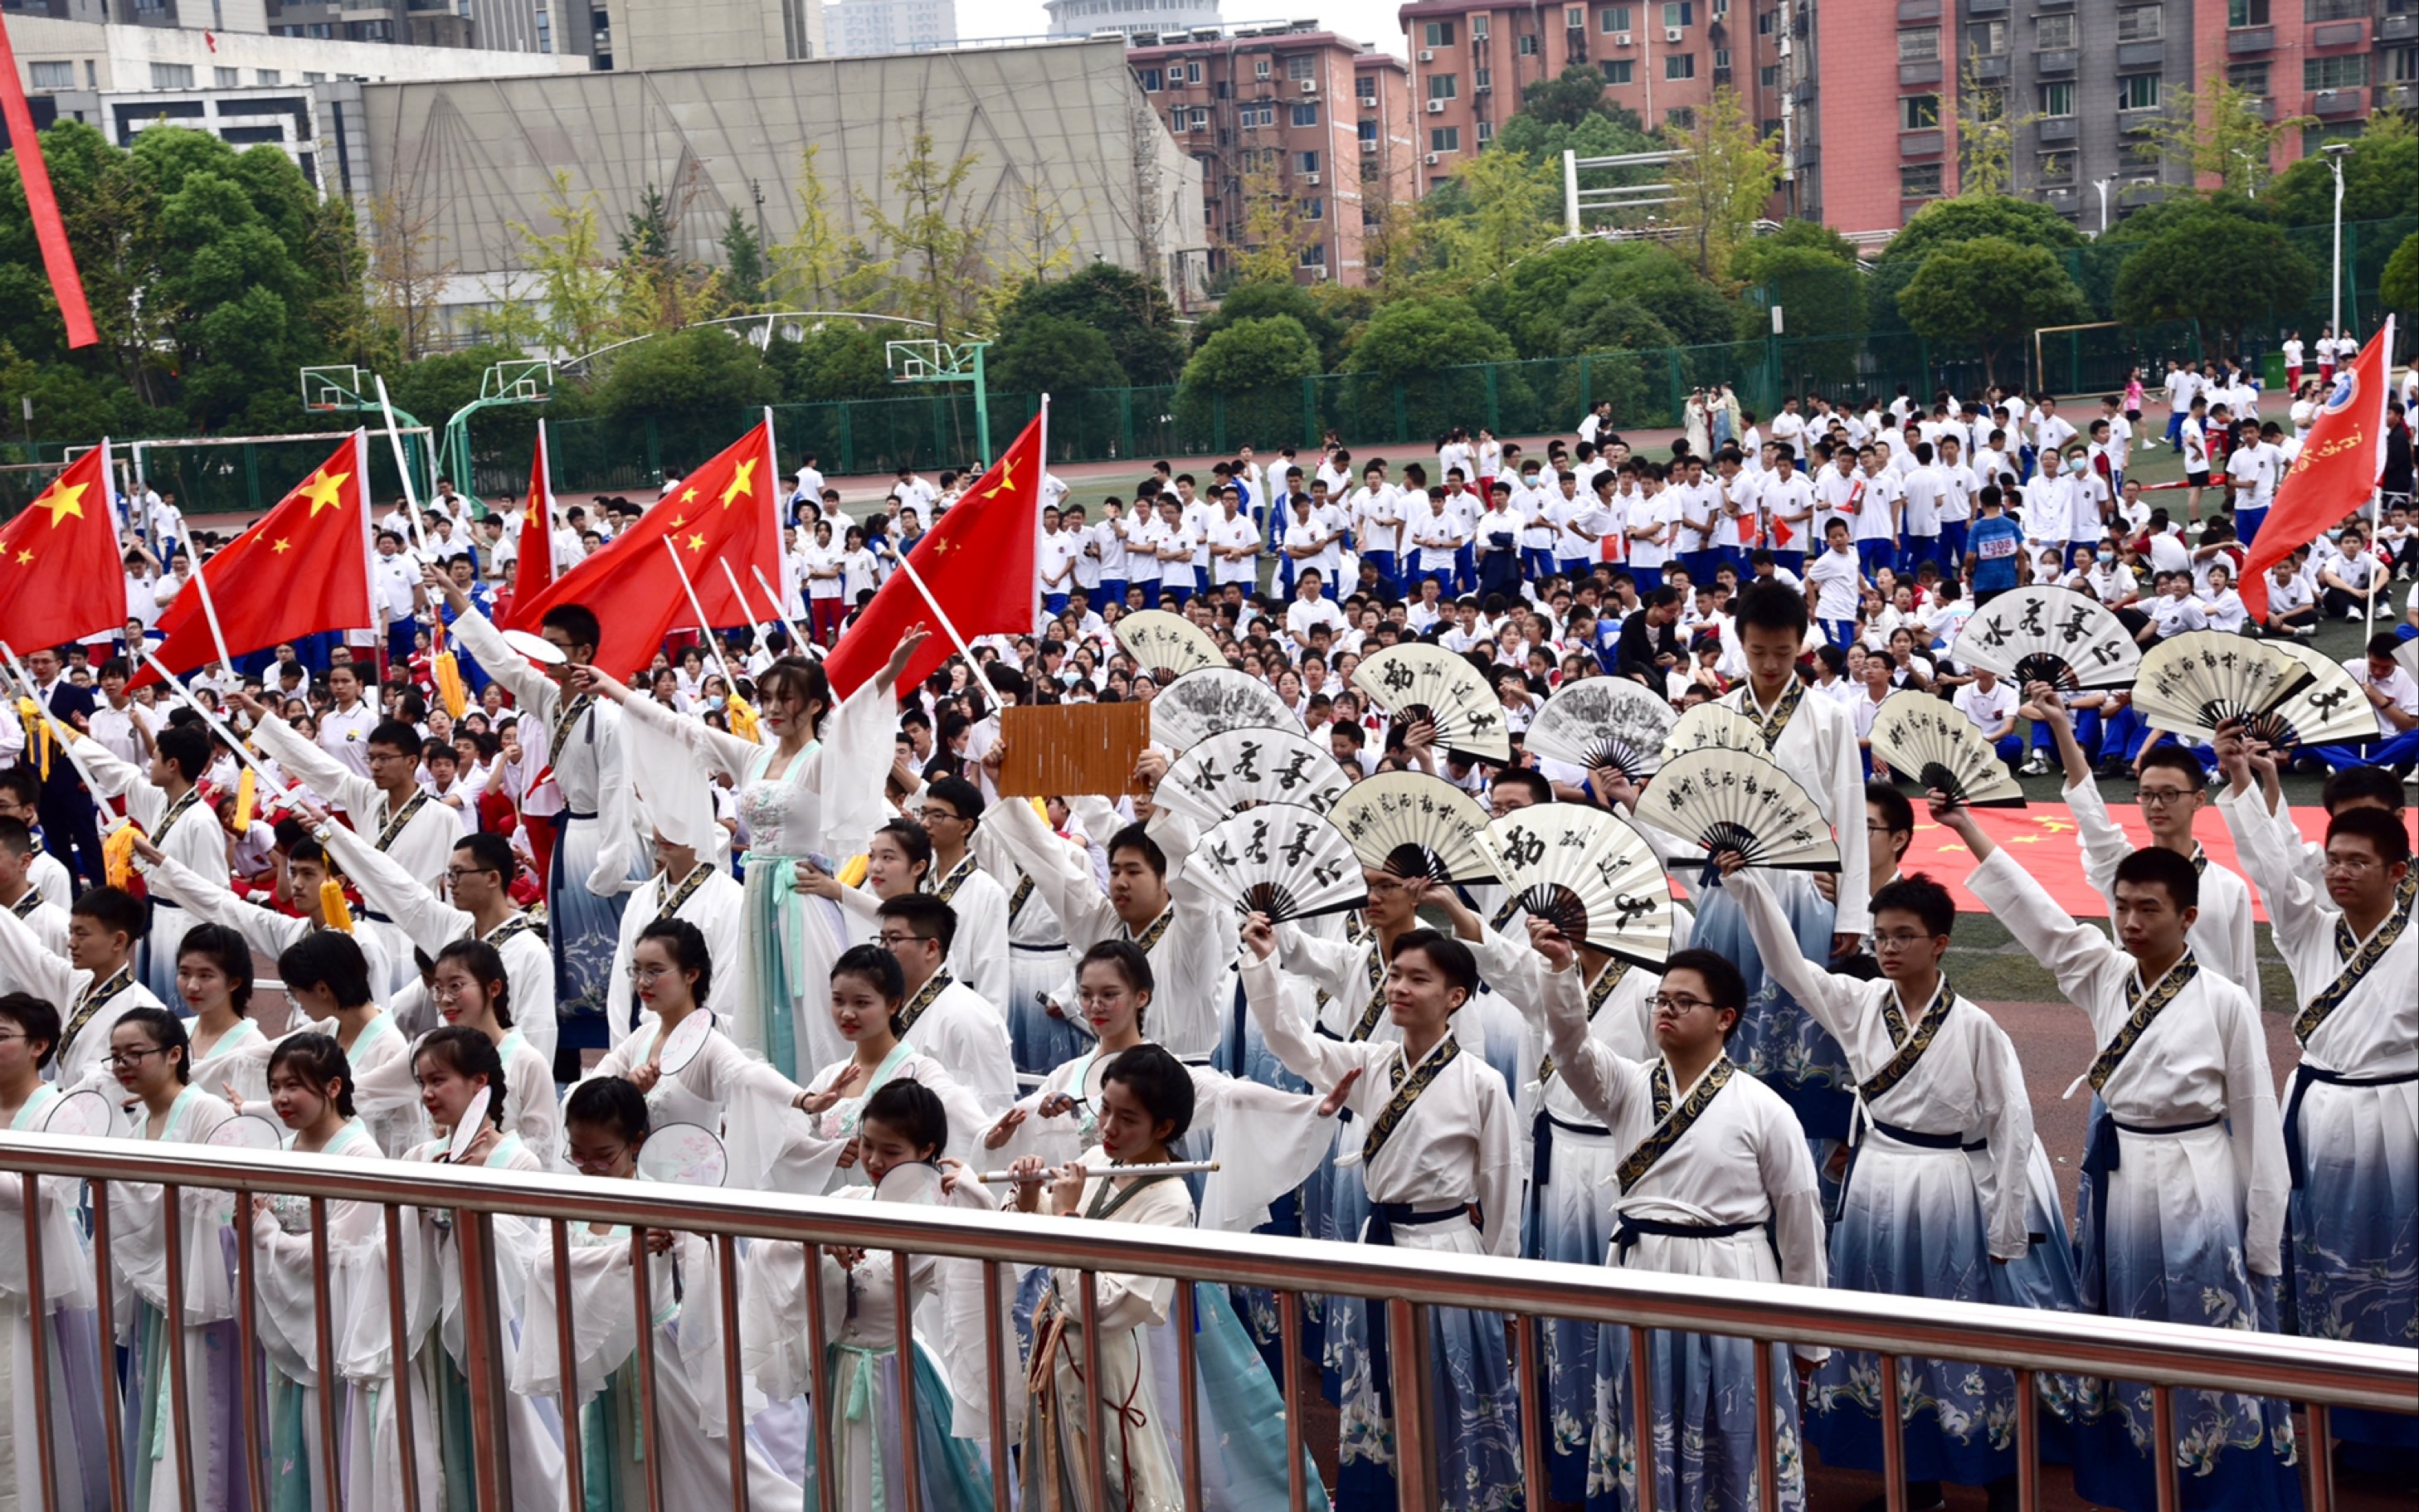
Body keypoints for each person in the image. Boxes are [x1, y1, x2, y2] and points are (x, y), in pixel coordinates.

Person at [1941, 798, 2298, 1512]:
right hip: (2123, 1178)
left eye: (2150, 909)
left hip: (2199, 1173)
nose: (2132, 922)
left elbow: (2258, 1119)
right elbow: (2040, 920)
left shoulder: (2225, 1002)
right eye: (2124, 906)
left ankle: (2222, 1486)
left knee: (2206, 1330)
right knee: (2130, 1332)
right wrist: (1967, 829)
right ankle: (2141, 1479)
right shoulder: (2105, 974)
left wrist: (2263, 1241)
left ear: (2188, 917)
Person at [1725, 858, 2048, 1507]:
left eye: (1904, 935)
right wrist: (1749, 886)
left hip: (1943, 1189)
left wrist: (2007, 1228)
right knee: (1885, 1338)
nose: (1889, 947)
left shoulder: (1978, 1027)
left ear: (1940, 944)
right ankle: (1916, 1485)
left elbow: (2014, 1127)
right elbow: (1792, 969)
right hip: (1873, 1182)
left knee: (1957, 1338)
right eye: (1880, 935)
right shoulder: (1861, 1001)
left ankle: (2003, 1486)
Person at [1529, 931, 1825, 1512]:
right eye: (1661, 998)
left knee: (1730, 1420)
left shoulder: (1764, 1107)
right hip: (1640, 1271)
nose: (1666, 1008)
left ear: (1726, 1018)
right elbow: (1569, 1049)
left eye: (1684, 1000)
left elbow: (1800, 1219)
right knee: (1644, 1409)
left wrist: (1810, 1335)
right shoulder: (1626, 1085)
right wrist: (1562, 972)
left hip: (1731, 1276)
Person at [1242, 919, 1521, 1512]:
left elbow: (1500, 1189)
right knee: (1380, 1383)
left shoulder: (1483, 1082)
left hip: (1446, 1248)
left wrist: (1501, 1284)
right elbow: (1292, 1042)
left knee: (1446, 1387)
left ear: (1456, 996)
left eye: (1418, 978)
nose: (1398, 987)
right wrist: (1266, 962)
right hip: (1380, 1241)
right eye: (1394, 974)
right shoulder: (1370, 1062)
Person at [576, 630, 925, 1080]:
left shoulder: (820, 760)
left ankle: (825, 1108)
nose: (775, 709)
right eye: (768, 699)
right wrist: (614, 688)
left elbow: (854, 720)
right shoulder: (753, 758)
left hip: (799, 901)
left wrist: (890, 671)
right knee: (756, 1009)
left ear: (816, 705)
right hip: (756, 897)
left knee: (810, 1010)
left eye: (788, 699)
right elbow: (681, 727)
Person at [2216, 740, 2415, 1478]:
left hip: (2400, 1119)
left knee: (2400, 1271)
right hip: (2318, 1108)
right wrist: (2241, 778)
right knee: (2320, 1268)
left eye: (2357, 861)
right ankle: (2332, 1411)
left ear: (2398, 870)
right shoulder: (2306, 928)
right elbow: (2274, 863)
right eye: (2333, 859)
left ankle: (2398, 1431)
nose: (2336, 871)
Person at [525, 1076, 810, 1510]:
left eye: (603, 1156)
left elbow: (711, 1266)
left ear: (636, 1142)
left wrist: (693, 1239)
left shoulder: (660, 1196)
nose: (587, 1166)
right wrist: (627, 1252)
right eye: (577, 1154)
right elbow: (546, 1264)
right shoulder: (570, 1196)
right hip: (603, 1367)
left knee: (725, 1472)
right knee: (605, 1473)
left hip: (660, 1359)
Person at [420, 576, 648, 1074]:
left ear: (584, 651)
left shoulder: (606, 717)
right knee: (569, 963)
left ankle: (629, 1063)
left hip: (605, 842)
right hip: (572, 840)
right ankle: (564, 1068)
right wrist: (455, 599)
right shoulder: (549, 698)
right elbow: (503, 661)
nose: (544, 655)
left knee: (615, 964)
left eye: (556, 646)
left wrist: (612, 863)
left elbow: (615, 792)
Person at [103, 1005, 244, 1511]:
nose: (123, 1065)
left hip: (199, 1279)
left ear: (175, 1054)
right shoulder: (138, 1120)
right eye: (116, 1056)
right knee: (154, 1399)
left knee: (198, 1407)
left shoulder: (206, 1111)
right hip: (155, 1282)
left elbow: (227, 1200)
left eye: (135, 1053)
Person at [2031, 688, 2258, 988]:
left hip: (2208, 1026)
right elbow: (2089, 808)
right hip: (2136, 1020)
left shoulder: (2230, 887)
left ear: (2199, 799)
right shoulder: (2124, 871)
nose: (2156, 805)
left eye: (2169, 794)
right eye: (2147, 795)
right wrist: (2061, 724)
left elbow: (2243, 977)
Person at [0, 991, 110, 1511]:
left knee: (26, 1399)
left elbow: (47, 1192)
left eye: (2, 1036)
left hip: (30, 1286)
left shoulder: (59, 1111)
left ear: (40, 1046)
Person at [0, 882, 163, 1092]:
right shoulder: (77, 983)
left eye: (82, 934)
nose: (71, 943)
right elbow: (30, 955)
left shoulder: (144, 1009)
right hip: (66, 1107)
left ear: (118, 941)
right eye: (71, 933)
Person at [914, 775, 1011, 1014]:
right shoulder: (920, 878)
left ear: (966, 826)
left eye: (938, 816)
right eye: (923, 813)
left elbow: (992, 972)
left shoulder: (988, 892)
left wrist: (989, 1028)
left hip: (962, 1011)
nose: (926, 823)